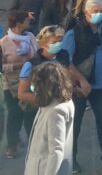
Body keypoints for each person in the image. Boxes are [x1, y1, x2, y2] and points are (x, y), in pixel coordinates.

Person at [63, 0, 102, 172]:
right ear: (86, 12)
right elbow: (66, 61)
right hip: (79, 86)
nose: (98, 15)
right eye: (94, 12)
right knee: (75, 125)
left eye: (100, 12)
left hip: (101, 83)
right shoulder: (74, 33)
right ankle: (70, 161)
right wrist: (81, 80)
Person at [23, 61, 74, 175]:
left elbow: (56, 151)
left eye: (35, 84)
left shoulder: (55, 111)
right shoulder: (56, 102)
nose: (33, 88)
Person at [1, 9, 37, 158]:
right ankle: (12, 145)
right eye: (26, 20)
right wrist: (20, 65)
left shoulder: (30, 37)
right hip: (11, 84)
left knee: (30, 113)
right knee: (14, 114)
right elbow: (1, 67)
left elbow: (38, 53)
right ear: (19, 23)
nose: (29, 22)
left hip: (31, 81)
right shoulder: (4, 43)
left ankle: (34, 144)